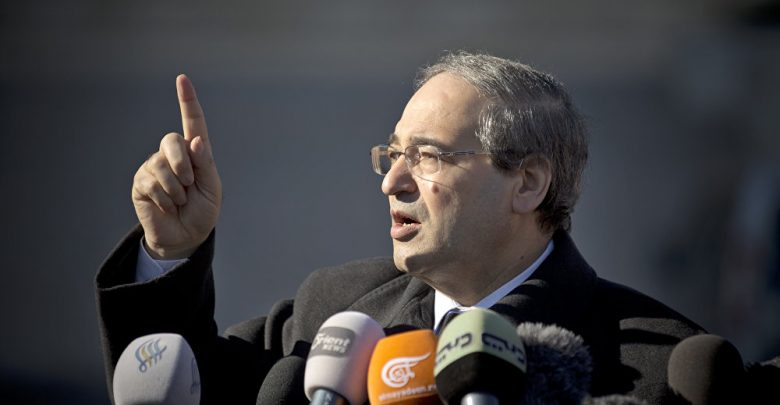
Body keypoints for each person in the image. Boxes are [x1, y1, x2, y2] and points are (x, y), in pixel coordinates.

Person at [96, 51, 704, 404]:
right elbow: (172, 381)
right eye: (392, 155)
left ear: (527, 183)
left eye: (429, 156)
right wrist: (171, 250)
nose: (391, 182)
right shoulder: (333, 314)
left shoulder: (659, 366)